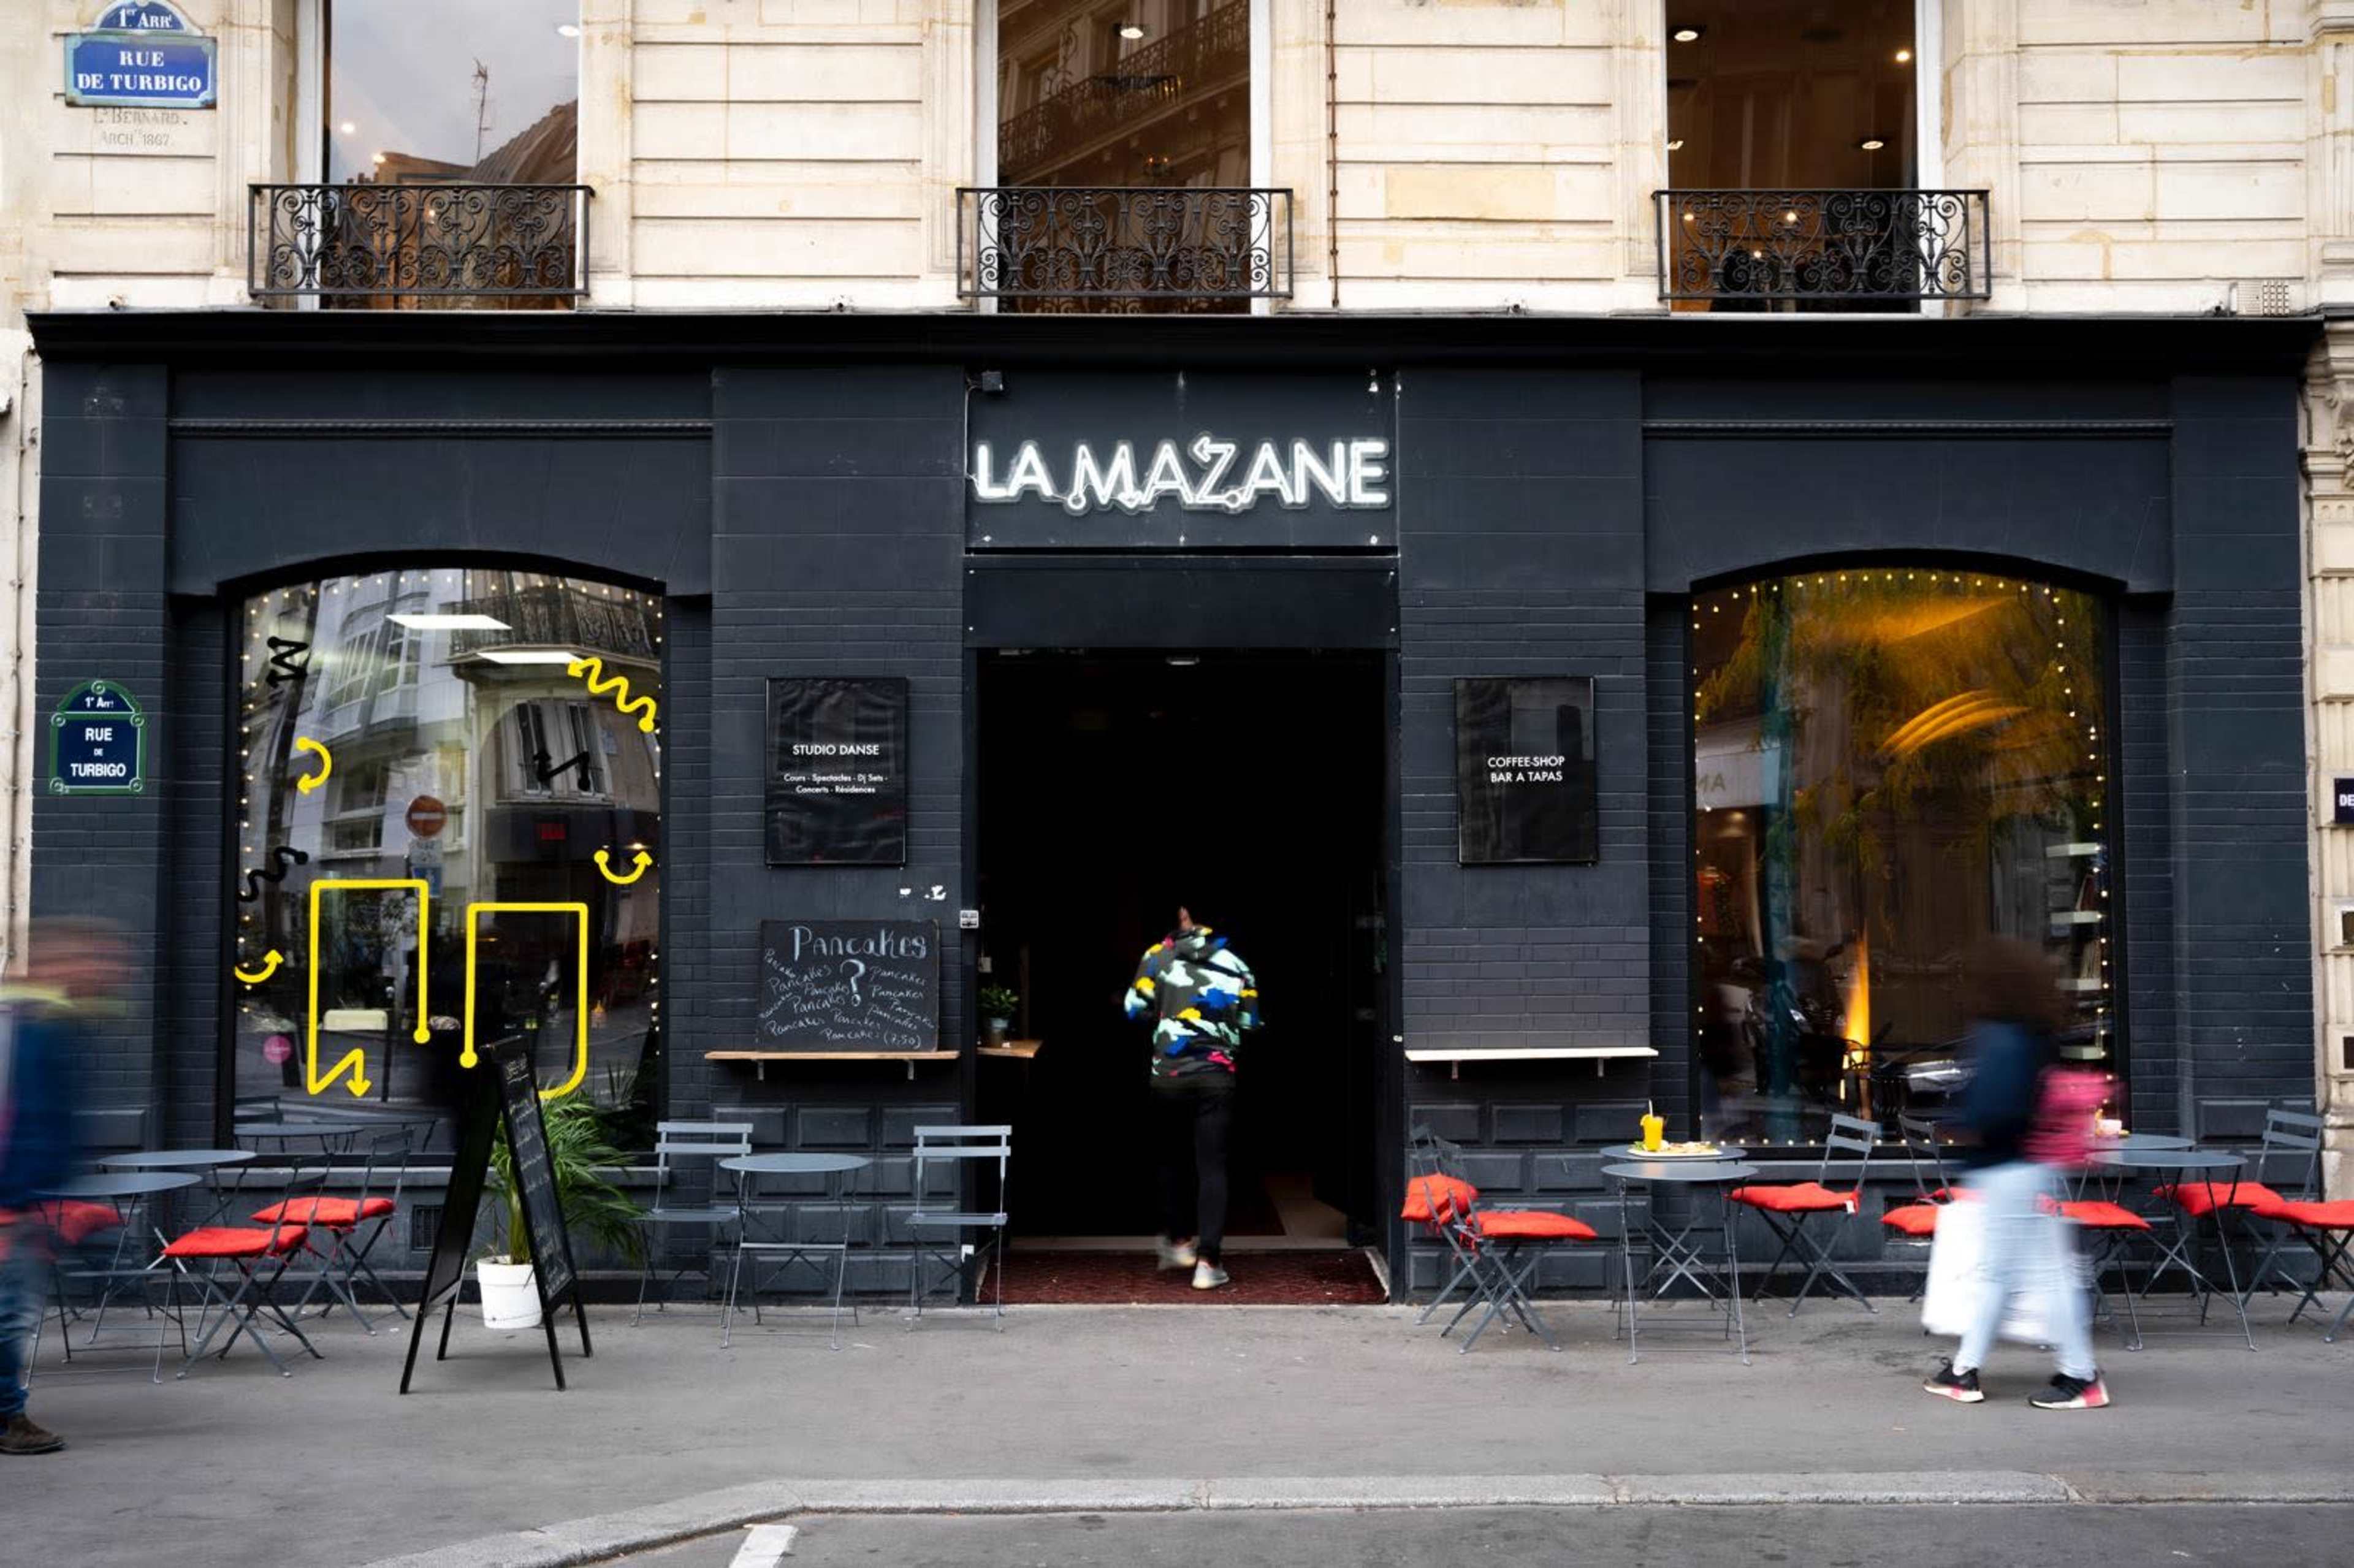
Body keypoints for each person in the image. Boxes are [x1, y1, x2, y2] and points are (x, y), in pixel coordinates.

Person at [1923, 937, 2109, 1411]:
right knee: (2020, 1275)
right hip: (2029, 1164)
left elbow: (1997, 1108)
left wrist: (1961, 1123)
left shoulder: (2001, 1036)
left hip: (2007, 1166)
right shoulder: (2034, 1031)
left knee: (2016, 1275)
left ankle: (2077, 1376)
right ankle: (1967, 1370)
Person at [1, 918, 127, 1456]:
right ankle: (9, 1419)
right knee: (9, 1314)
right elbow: (26, 1121)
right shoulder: (28, 1032)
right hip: (12, 1204)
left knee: (12, 1313)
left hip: (26, 1202)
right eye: (93, 961)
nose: (107, 972)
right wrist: (24, 1201)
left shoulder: (47, 1027)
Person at [1123, 907, 1260, 1291]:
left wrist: (1167, 1012)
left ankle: (1180, 1241)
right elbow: (1249, 1022)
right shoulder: (1237, 964)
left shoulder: (1157, 956)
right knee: (1212, 1166)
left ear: (1182, 919)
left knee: (1169, 1159)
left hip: (1167, 1076)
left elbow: (1134, 1010)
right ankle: (1208, 1263)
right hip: (1216, 1077)